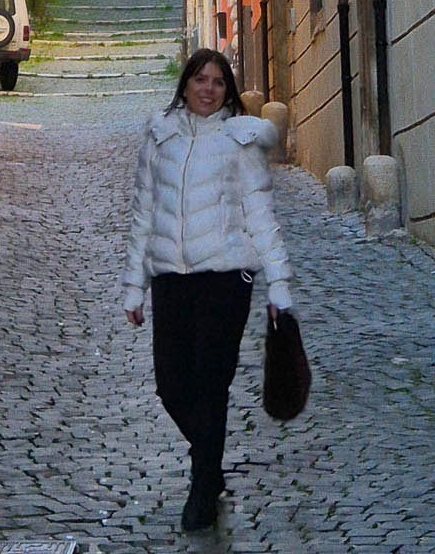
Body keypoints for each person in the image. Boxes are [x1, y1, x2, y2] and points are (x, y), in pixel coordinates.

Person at [122, 48, 293, 532]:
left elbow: (261, 216)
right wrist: (135, 286)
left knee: (211, 384)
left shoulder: (240, 140)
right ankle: (209, 460)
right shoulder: (161, 136)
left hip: (225, 277)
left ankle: (201, 491)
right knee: (171, 385)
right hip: (172, 278)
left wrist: (279, 286)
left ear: (229, 90)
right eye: (200, 79)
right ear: (185, 84)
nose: (208, 89)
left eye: (219, 82)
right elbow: (143, 214)